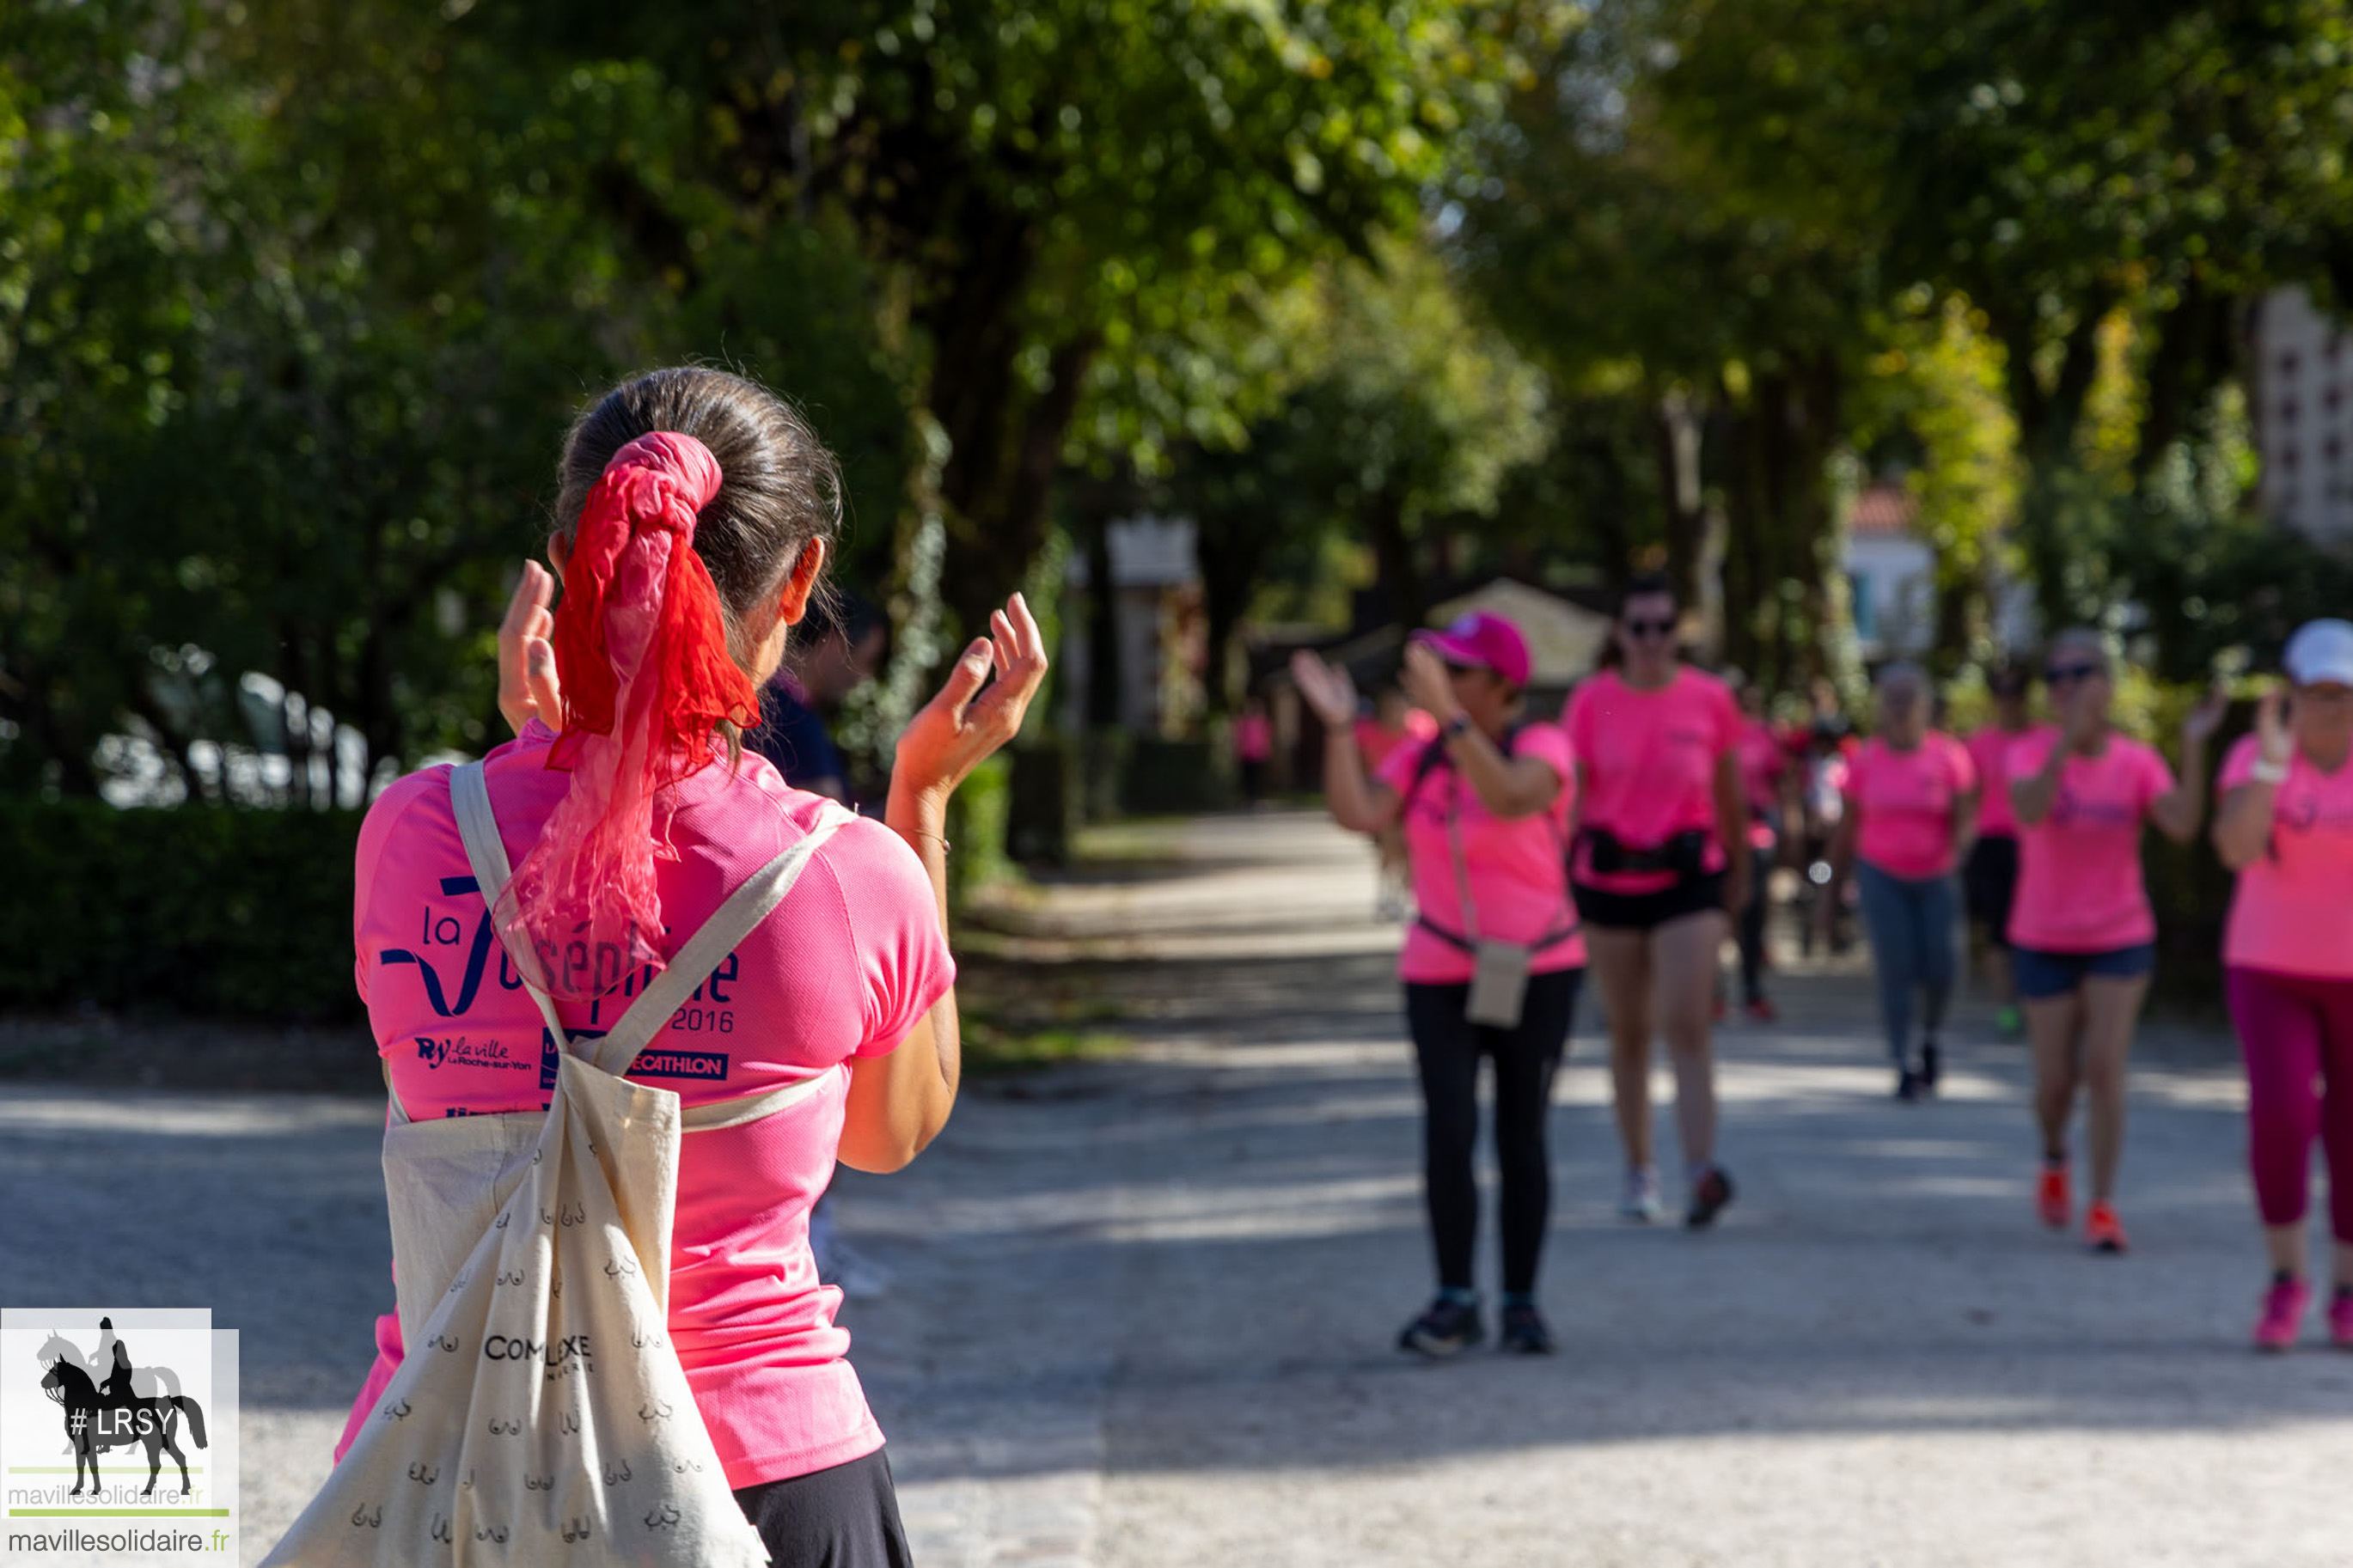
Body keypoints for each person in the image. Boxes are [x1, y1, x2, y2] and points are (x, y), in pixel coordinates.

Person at [339, 366, 1048, 1563]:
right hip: (762, 1469)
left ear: (572, 555)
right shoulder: (845, 873)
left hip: (450, 1470)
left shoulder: (410, 836)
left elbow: (493, 1062)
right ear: (802, 580)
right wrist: (918, 801)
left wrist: (534, 745)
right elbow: (888, 1131)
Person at [1291, 611, 1582, 1357]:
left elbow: (1515, 795)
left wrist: (1450, 721)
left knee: (1522, 1135)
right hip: (1440, 966)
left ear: (1502, 684)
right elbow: (1358, 813)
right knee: (1449, 1131)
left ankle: (1522, 1300)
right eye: (1440, 668)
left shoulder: (1541, 744)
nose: (1442, 683)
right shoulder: (1424, 751)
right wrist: (1336, 729)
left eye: (1460, 671)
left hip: (1538, 967)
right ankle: (1455, 1297)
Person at [2009, 629, 2225, 1254]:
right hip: (2044, 933)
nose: (2067, 687)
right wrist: (2062, 746)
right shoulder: (2029, 750)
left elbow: (2183, 824)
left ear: (2106, 684)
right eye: (2055, 677)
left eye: (2080, 673)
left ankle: (2103, 1204)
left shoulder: (2134, 761)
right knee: (2054, 1082)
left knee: (2105, 1065)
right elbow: (2028, 810)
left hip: (2119, 932)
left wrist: (2190, 744)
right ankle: (2054, 1157)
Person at [1564, 573, 1749, 1228]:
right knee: (1629, 1032)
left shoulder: (1710, 699)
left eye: (1664, 626)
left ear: (1680, 632)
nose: (1651, 640)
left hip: (1689, 875)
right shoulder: (1592, 702)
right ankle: (1638, 1167)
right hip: (1610, 878)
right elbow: (1571, 797)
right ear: (1618, 633)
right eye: (1638, 627)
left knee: (1686, 1021)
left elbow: (1729, 793)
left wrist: (1741, 872)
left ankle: (1700, 1169)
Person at [2211, 619, 2353, 1349]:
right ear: (2289, 694)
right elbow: (2236, 849)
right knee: (2283, 1115)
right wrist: (2269, 769)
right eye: (2316, 691)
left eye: (2343, 692)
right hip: (2269, 967)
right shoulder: (2252, 757)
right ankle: (2285, 1280)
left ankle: (2347, 1290)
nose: (2330, 707)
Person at [750, 593, 893, 1298]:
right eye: (861, 661)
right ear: (830, 639)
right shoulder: (796, 721)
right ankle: (814, 1252)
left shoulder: (741, 708)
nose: (860, 679)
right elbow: (826, 832)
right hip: (790, 934)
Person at [1822, 664, 1978, 1100]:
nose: (1901, 707)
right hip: (1880, 874)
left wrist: (1960, 858)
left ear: (1926, 705)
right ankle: (1901, 1059)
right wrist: (1828, 892)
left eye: (1909, 697)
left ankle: (1929, 1037)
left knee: (1942, 966)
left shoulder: (1950, 756)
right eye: (1892, 697)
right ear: (1880, 706)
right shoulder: (1865, 759)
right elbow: (1846, 831)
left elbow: (1965, 821)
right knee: (1896, 965)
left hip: (1937, 875)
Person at [753, 592, 886, 803]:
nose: (864, 678)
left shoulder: (760, 695)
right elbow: (829, 819)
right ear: (835, 642)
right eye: (866, 661)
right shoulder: (795, 721)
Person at [1964, 665, 2039, 1034]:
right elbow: (1967, 799)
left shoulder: (2044, 740)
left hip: (2034, 845)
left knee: (2032, 927)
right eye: (2002, 696)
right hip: (1991, 843)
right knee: (1997, 931)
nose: (2008, 704)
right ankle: (2006, 1008)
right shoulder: (1979, 744)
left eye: (2015, 695)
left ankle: (2035, 1002)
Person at [1732, 681, 1797, 1022]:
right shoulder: (1716, 733)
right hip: (1717, 837)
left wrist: (1789, 824)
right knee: (1714, 915)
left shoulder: (1764, 736)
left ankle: (1752, 988)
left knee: (1753, 912)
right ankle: (1712, 992)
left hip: (1756, 834)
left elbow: (1781, 781)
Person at [1355, 686, 1439, 921]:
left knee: (1409, 852)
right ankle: (1386, 893)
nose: (1396, 711)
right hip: (1383, 800)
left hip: (1412, 802)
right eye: (1391, 707)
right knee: (1388, 850)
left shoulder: (1422, 729)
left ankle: (1402, 896)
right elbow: (1361, 765)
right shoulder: (1368, 732)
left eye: (1400, 706)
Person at [1235, 696, 1274, 806]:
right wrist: (1238, 749)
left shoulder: (1263, 722)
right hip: (1246, 754)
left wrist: (1267, 749)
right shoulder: (1243, 722)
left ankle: (1256, 796)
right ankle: (1248, 796)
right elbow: (1239, 737)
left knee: (1257, 776)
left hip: (1258, 754)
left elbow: (1267, 737)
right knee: (1247, 776)